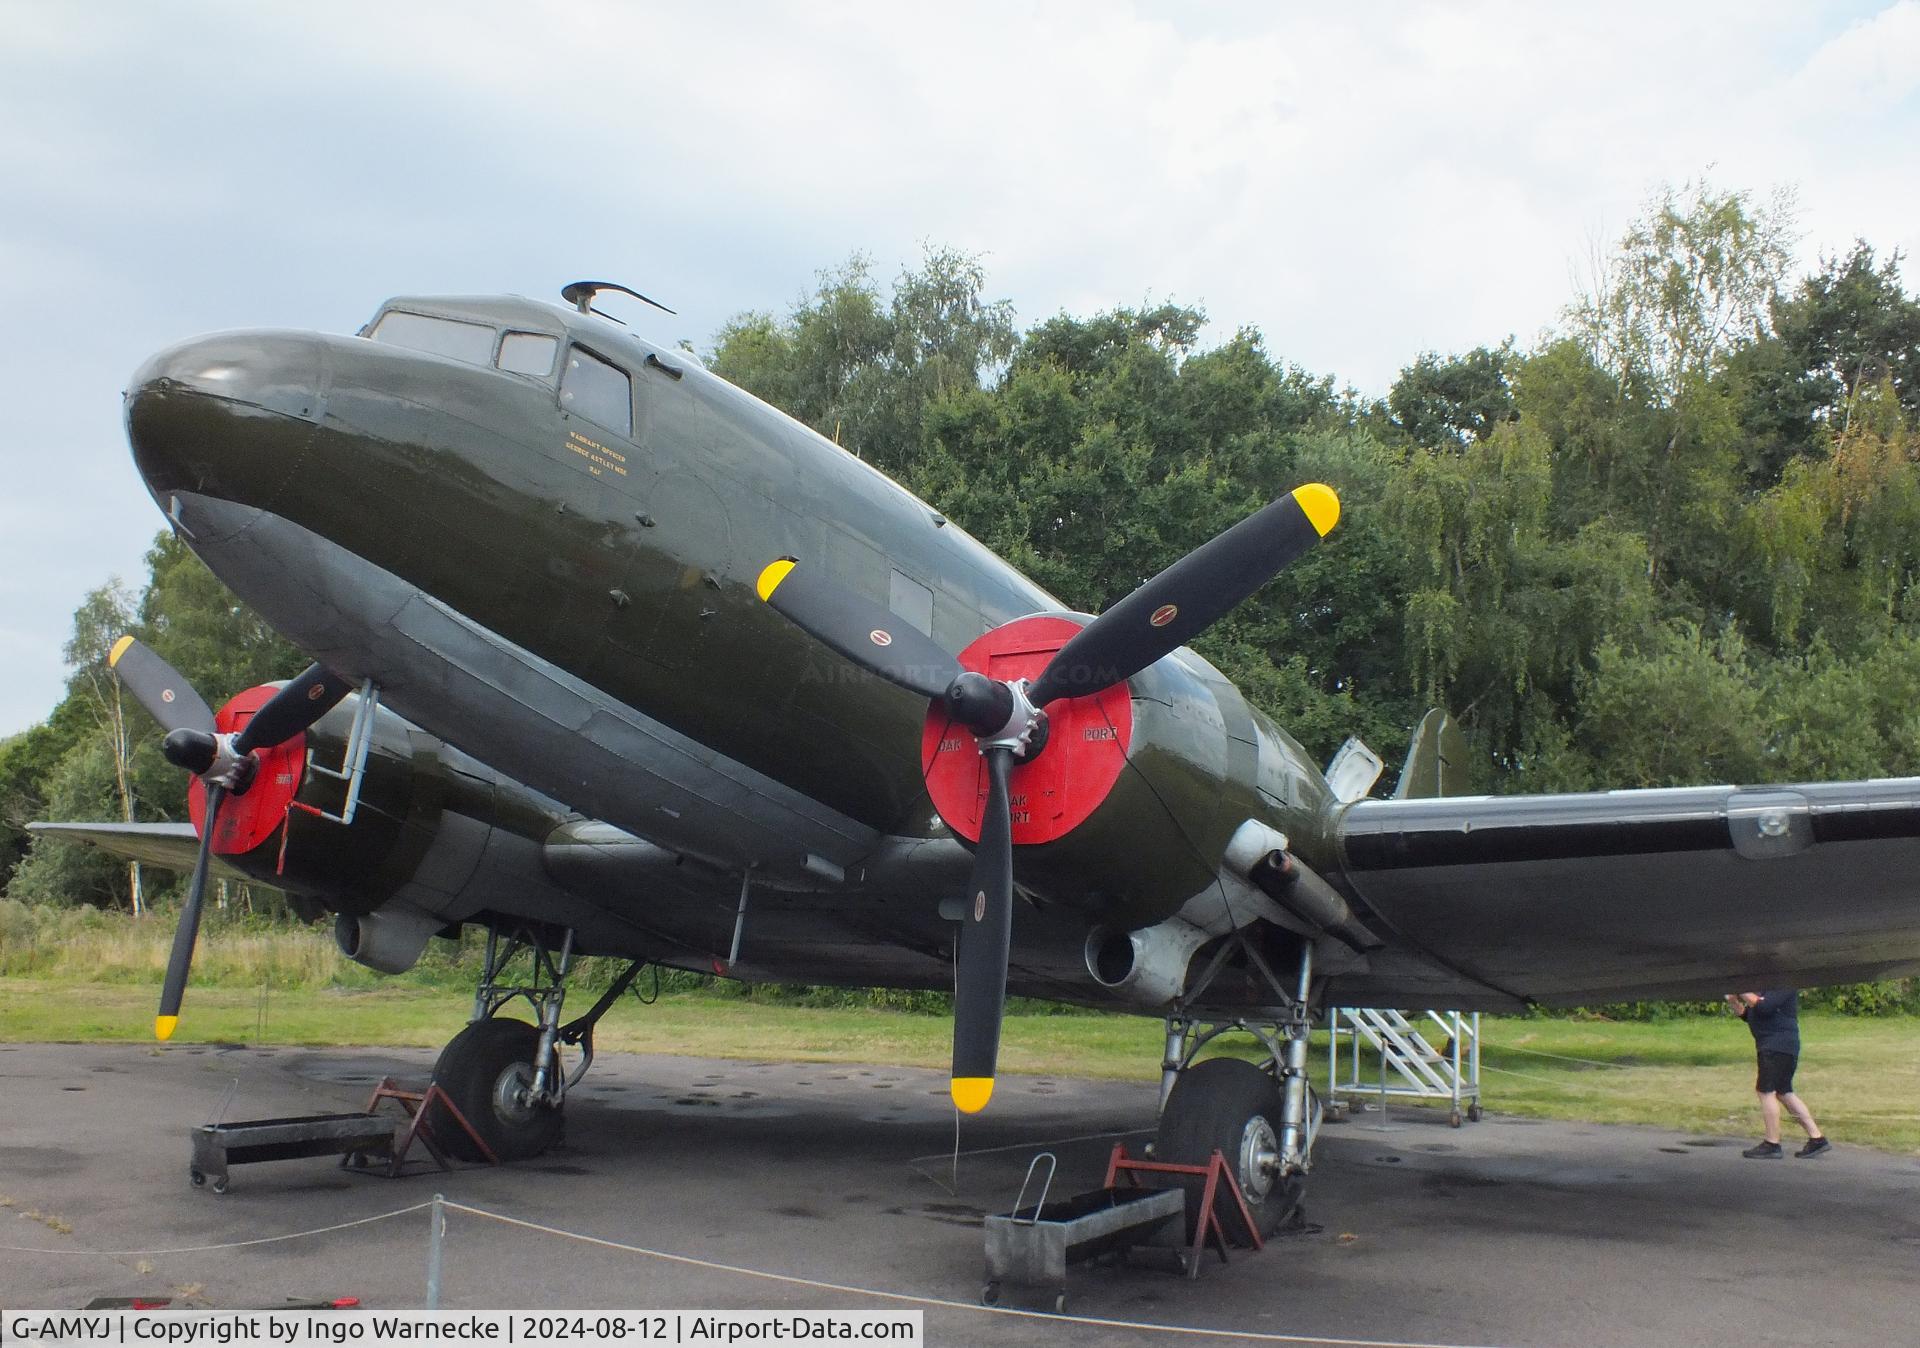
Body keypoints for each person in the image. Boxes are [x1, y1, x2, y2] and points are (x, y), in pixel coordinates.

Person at [1726, 989, 1831, 1158]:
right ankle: (1817, 1139)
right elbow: (1750, 1015)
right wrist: (1733, 1002)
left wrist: (1741, 988)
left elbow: (1764, 1007)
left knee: (1765, 1091)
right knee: (1784, 1092)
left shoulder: (1783, 984)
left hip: (1777, 1045)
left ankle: (1772, 1143)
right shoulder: (1764, 988)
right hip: (1775, 1045)